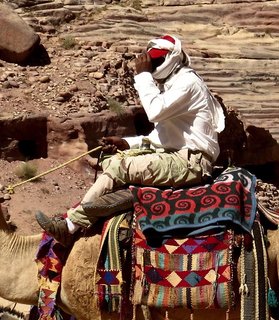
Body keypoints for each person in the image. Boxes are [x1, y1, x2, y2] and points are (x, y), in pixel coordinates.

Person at [36, 35, 224, 245]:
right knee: (110, 161)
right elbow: (161, 136)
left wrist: (143, 75)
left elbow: (154, 112)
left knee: (120, 167)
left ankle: (70, 226)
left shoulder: (187, 83)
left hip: (192, 162)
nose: (153, 65)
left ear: (173, 57)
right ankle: (99, 211)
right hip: (176, 155)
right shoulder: (172, 83)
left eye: (157, 61)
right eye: (151, 61)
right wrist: (126, 142)